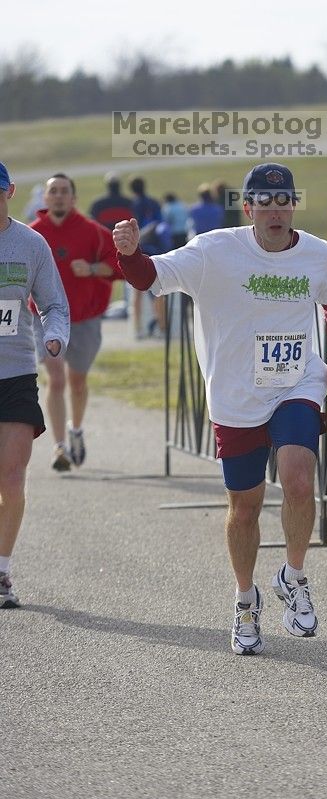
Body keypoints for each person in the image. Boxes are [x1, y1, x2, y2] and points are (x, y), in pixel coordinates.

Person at [113, 163, 327, 656]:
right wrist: (130, 253)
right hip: (236, 393)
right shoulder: (213, 251)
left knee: (299, 477)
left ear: (293, 205)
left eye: (284, 200)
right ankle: (247, 600)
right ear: (248, 209)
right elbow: (149, 277)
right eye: (264, 203)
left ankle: (295, 576)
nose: (275, 211)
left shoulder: (319, 254)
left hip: (296, 382)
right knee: (244, 506)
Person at [0, 162, 69, 608]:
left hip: (16, 374)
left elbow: (54, 304)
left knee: (12, 475)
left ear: (9, 192)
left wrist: (54, 335)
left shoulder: (30, 243)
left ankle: (1, 571)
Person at [30, 173, 122, 472]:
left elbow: (120, 266)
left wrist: (93, 268)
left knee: (77, 383)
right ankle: (59, 447)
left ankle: (76, 430)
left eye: (64, 191)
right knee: (56, 379)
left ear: (74, 198)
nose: (58, 196)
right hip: (44, 317)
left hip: (84, 318)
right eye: (53, 191)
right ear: (45, 198)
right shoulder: (33, 234)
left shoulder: (93, 232)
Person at [89, 173, 134, 320]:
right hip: (126, 243)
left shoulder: (98, 204)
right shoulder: (129, 202)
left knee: (104, 277)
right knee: (130, 276)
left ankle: (101, 309)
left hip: (105, 245)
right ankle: (130, 308)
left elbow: (92, 224)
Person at [129, 176, 163, 337]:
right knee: (157, 290)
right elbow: (160, 224)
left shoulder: (131, 205)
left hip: (137, 249)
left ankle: (138, 328)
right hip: (154, 248)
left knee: (137, 291)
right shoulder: (153, 203)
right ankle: (162, 327)